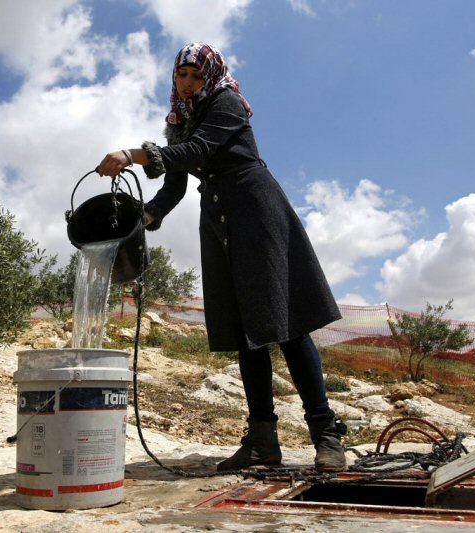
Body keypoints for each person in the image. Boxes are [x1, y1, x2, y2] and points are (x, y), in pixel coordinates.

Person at [97, 42, 347, 472]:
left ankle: (326, 436)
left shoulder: (226, 101)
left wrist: (134, 155)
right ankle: (262, 442)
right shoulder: (179, 120)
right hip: (216, 216)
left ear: (210, 76)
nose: (188, 83)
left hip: (255, 207)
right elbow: (176, 182)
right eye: (182, 75)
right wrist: (146, 216)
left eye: (196, 76)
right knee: (245, 330)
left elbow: (198, 152)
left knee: (288, 324)